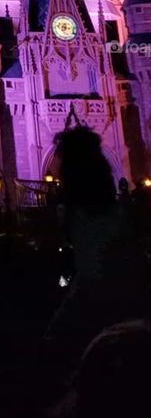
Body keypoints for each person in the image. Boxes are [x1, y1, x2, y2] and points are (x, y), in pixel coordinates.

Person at [44, 126, 149, 364]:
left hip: (112, 338)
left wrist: (53, 335)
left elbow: (93, 282)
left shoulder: (86, 219)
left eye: (62, 174)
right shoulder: (122, 214)